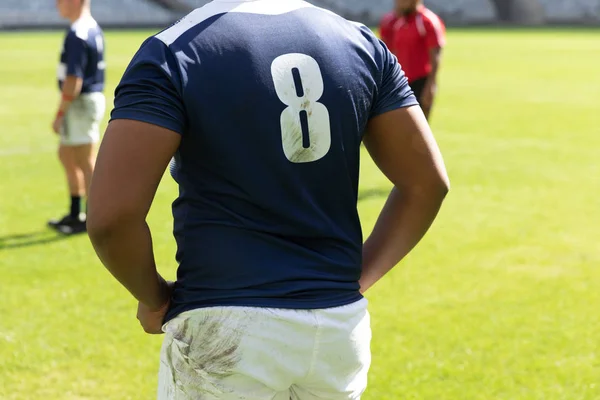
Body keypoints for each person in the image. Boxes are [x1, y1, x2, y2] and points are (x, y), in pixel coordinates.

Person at [87, 0, 449, 398]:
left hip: (226, 322)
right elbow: (427, 184)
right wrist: (355, 279)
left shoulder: (176, 49)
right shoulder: (361, 41)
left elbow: (112, 217)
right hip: (336, 329)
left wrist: (153, 297)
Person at [49, 0, 105, 234]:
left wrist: (60, 112)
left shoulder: (78, 32)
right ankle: (76, 213)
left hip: (80, 103)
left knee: (85, 160)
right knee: (67, 155)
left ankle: (91, 218)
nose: (56, 4)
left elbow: (74, 80)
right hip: (85, 101)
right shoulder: (89, 27)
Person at [380, 0, 445, 119]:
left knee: (418, 128)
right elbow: (385, 51)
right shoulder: (393, 21)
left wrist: (431, 85)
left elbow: (435, 55)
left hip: (420, 81)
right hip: (398, 81)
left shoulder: (427, 21)